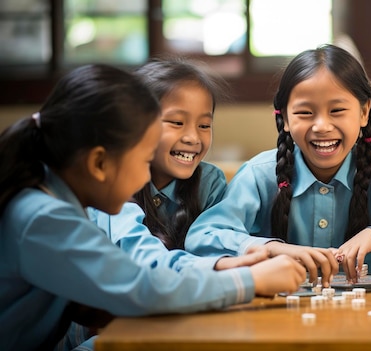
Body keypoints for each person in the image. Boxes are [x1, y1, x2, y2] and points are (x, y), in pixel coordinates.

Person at [0, 64, 306, 351]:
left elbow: (139, 278)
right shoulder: (45, 217)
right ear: (99, 163)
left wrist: (225, 266)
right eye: (145, 160)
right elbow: (141, 282)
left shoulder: (52, 202)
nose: (146, 175)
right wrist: (250, 281)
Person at [185, 44, 371, 286]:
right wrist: (272, 249)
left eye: (337, 111)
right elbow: (202, 236)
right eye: (305, 113)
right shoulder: (260, 176)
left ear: (363, 112)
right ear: (284, 118)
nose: (322, 126)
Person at [59, 57, 274, 351]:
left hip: (170, 319)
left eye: (204, 125)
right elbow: (146, 262)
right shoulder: (114, 183)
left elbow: (216, 243)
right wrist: (239, 273)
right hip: (99, 332)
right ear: (137, 125)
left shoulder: (209, 182)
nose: (192, 137)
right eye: (176, 122)